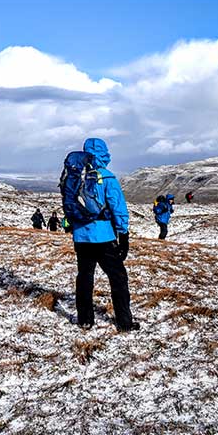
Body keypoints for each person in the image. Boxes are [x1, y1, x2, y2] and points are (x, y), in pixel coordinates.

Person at [67, 138, 138, 332]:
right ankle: (124, 322)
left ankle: (85, 320)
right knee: (118, 278)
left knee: (84, 276)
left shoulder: (75, 176)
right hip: (104, 236)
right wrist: (123, 235)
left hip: (81, 237)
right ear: (105, 154)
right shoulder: (107, 177)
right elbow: (118, 207)